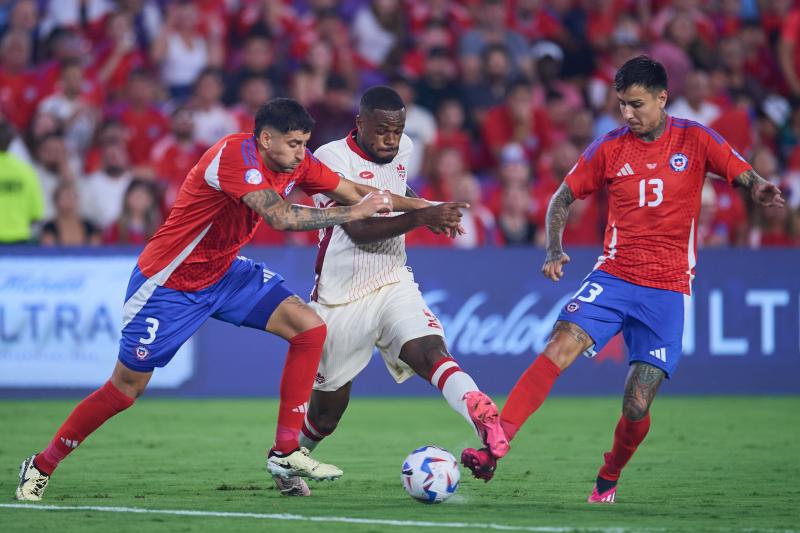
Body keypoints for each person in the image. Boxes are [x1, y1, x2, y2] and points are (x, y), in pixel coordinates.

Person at [15, 97, 429, 502]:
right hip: (169, 283)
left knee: (309, 328)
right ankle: (42, 464)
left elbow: (355, 189)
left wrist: (427, 209)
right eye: (295, 144)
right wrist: (352, 213)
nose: (303, 153)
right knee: (125, 389)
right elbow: (282, 217)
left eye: (305, 143)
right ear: (266, 139)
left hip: (225, 273)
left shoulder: (294, 160)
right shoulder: (235, 157)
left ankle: (285, 453)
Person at [460, 56, 785, 503]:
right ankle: (496, 445)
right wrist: (555, 248)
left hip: (669, 289)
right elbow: (562, 197)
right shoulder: (609, 148)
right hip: (614, 276)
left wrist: (758, 186)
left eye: (636, 104)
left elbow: (740, 170)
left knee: (636, 405)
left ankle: (608, 477)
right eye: (621, 105)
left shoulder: (694, 139)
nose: (627, 115)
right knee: (561, 343)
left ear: (661, 98)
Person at [274, 86, 509, 497]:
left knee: (430, 351)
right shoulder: (330, 159)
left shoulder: (404, 150)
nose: (391, 140)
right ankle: (286, 464)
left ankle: (479, 411)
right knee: (327, 415)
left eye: (397, 131)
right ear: (360, 124)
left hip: (392, 279)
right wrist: (423, 217)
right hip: (340, 298)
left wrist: (422, 208)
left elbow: (397, 190)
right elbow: (360, 228)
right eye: (382, 130)